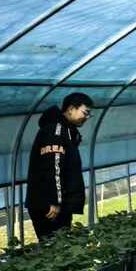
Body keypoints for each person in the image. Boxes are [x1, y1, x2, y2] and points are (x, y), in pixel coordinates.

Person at [25, 92, 94, 241]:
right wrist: (54, 201)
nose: (87, 117)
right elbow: (53, 167)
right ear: (71, 109)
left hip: (59, 203)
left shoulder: (66, 130)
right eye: (85, 112)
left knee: (61, 244)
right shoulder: (55, 131)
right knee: (53, 245)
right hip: (49, 206)